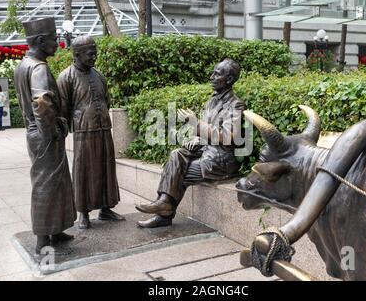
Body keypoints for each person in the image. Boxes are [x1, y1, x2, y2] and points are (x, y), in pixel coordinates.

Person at [136, 58, 246, 228]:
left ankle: (164, 212)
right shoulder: (211, 101)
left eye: (217, 74)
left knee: (176, 174)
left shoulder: (236, 104)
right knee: (176, 155)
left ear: (230, 79)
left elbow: (228, 137)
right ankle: (164, 206)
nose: (211, 77)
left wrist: (196, 123)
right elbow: (207, 131)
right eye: (213, 72)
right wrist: (198, 138)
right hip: (205, 152)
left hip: (220, 160)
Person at [14, 17, 76, 255]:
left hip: (36, 133)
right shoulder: (38, 67)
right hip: (44, 134)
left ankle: (56, 229)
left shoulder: (23, 64)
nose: (56, 42)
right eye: (53, 38)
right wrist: (53, 130)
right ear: (40, 40)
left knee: (57, 182)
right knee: (46, 185)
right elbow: (41, 102)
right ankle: (42, 238)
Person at [58, 35, 125, 229]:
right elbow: (63, 108)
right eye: (90, 53)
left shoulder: (99, 75)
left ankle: (106, 208)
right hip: (84, 131)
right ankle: (83, 213)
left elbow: (106, 100)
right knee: (84, 171)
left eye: (95, 53)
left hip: (103, 127)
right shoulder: (66, 77)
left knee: (106, 169)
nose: (94, 57)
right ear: (77, 54)